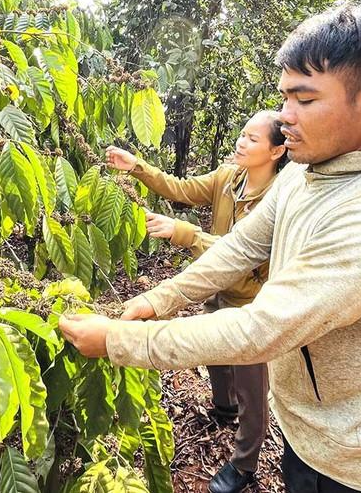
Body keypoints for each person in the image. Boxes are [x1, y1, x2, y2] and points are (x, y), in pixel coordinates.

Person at [59, 3, 361, 493]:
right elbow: (241, 246)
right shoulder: (307, 174)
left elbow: (260, 330)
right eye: (284, 99)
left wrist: (117, 341)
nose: (285, 119)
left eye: (303, 101)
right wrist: (158, 300)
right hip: (308, 437)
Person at [105, 110, 288, 493]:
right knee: (215, 357)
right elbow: (182, 189)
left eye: (253, 139)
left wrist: (184, 233)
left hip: (254, 305)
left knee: (253, 389)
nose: (242, 142)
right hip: (219, 290)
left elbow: (247, 253)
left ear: (276, 151)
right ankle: (223, 408)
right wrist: (137, 166)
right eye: (242, 134)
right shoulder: (228, 178)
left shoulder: (281, 199)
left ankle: (245, 462)